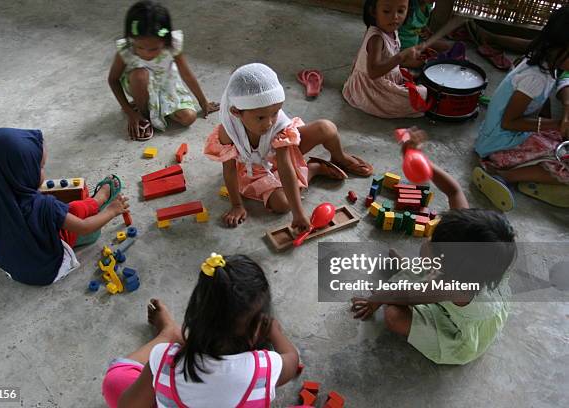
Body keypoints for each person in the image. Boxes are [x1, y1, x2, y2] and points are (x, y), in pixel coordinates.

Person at [352, 128, 517, 365]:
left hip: (458, 332)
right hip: (463, 293)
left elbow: (406, 295)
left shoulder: (457, 288)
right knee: (426, 252)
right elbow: (453, 190)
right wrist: (422, 161)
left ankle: (414, 274)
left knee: (393, 314)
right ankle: (416, 270)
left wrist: (375, 299)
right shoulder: (488, 247)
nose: (431, 240)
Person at [102, 254, 300, 408]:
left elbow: (127, 406)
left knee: (115, 382)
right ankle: (174, 334)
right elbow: (292, 359)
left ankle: (169, 334)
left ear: (194, 314)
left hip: (172, 369)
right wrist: (275, 331)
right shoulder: (264, 368)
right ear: (258, 328)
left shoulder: (163, 359)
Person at [204, 63, 373, 229]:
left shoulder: (279, 127)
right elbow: (230, 170)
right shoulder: (228, 131)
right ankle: (313, 169)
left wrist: (298, 213)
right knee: (282, 204)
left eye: (275, 113)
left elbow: (285, 167)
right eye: (261, 118)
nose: (269, 123)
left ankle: (339, 157)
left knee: (326, 128)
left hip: (283, 155)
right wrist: (236, 205)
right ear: (236, 112)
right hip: (255, 170)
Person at [0, 128, 129, 285]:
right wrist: (112, 211)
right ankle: (98, 200)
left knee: (59, 214)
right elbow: (84, 227)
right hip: (47, 269)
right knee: (75, 210)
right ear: (23, 174)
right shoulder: (44, 206)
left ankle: (94, 204)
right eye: (40, 167)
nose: (43, 172)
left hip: (12, 267)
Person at [473, 5, 569, 211]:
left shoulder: (547, 64)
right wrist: (555, 124)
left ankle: (523, 173)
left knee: (560, 143)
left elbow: (543, 100)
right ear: (560, 47)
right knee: (566, 166)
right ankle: (501, 176)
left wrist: (554, 126)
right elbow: (509, 122)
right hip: (498, 144)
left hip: (508, 134)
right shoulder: (535, 77)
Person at [108, 1, 218, 140]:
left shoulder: (172, 45)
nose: (146, 53)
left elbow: (186, 74)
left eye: (153, 49)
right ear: (132, 40)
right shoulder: (127, 50)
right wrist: (130, 113)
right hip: (139, 83)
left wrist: (203, 102)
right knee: (140, 75)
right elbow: (113, 80)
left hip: (166, 85)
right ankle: (143, 114)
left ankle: (156, 108)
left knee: (189, 118)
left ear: (165, 40)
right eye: (140, 48)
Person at [343, 0, 427, 118]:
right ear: (373, 11)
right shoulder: (376, 38)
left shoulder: (392, 31)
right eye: (387, 11)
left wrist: (412, 59)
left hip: (384, 78)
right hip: (371, 89)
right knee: (421, 97)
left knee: (418, 86)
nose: (395, 17)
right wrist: (402, 55)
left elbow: (390, 58)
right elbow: (373, 72)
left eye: (401, 11)